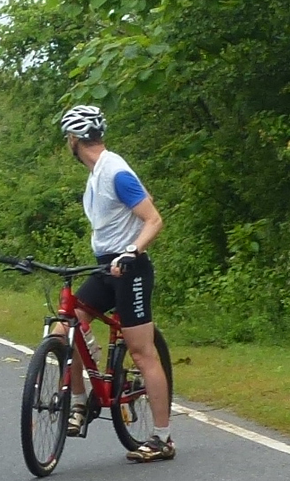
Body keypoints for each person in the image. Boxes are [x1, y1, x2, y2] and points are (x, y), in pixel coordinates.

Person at [59, 104, 174, 462]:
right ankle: (80, 403)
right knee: (71, 321)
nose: (68, 143)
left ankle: (162, 438)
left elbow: (153, 219)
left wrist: (131, 252)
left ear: (75, 139)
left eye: (68, 138)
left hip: (130, 268)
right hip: (106, 268)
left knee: (141, 352)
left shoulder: (115, 171)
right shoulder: (96, 174)